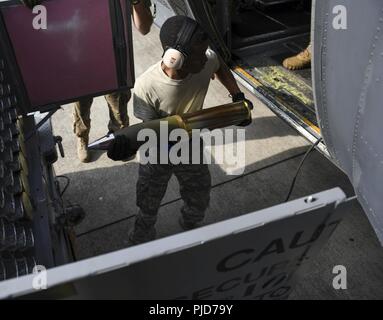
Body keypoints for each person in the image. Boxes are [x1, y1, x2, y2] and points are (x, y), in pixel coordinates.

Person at [107, 16, 254, 245]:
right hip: (158, 153)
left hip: (190, 146)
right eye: (198, 55)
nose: (205, 59)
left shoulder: (207, 60)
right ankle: (141, 238)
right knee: (148, 202)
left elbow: (220, 67)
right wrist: (126, 149)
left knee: (199, 194)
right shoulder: (146, 87)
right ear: (173, 58)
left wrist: (237, 97)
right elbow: (147, 133)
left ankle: (191, 224)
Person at [73, 0, 153, 162]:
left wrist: (136, 3)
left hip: (114, 56)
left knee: (118, 106)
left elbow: (144, 27)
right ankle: (82, 136)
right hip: (80, 55)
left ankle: (120, 136)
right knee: (81, 105)